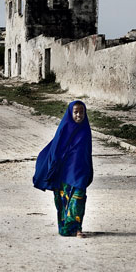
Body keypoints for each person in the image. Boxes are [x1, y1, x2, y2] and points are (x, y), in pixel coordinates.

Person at [33, 100, 93, 238]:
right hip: (64, 172)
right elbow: (55, 150)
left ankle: (76, 228)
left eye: (81, 112)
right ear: (70, 113)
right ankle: (66, 227)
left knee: (79, 198)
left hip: (80, 172)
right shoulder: (64, 129)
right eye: (76, 112)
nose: (79, 115)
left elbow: (87, 152)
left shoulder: (86, 129)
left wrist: (89, 169)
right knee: (63, 200)